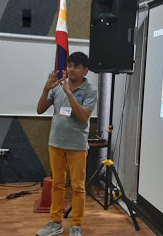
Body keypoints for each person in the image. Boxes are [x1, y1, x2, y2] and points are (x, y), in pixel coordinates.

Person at [36, 52, 98, 236]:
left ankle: (76, 225)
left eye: (75, 66)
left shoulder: (90, 90)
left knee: (78, 187)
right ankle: (55, 222)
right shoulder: (57, 87)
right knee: (57, 184)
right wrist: (46, 89)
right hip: (56, 143)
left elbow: (84, 116)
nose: (70, 69)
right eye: (69, 65)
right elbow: (40, 110)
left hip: (77, 146)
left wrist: (69, 94)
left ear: (85, 70)